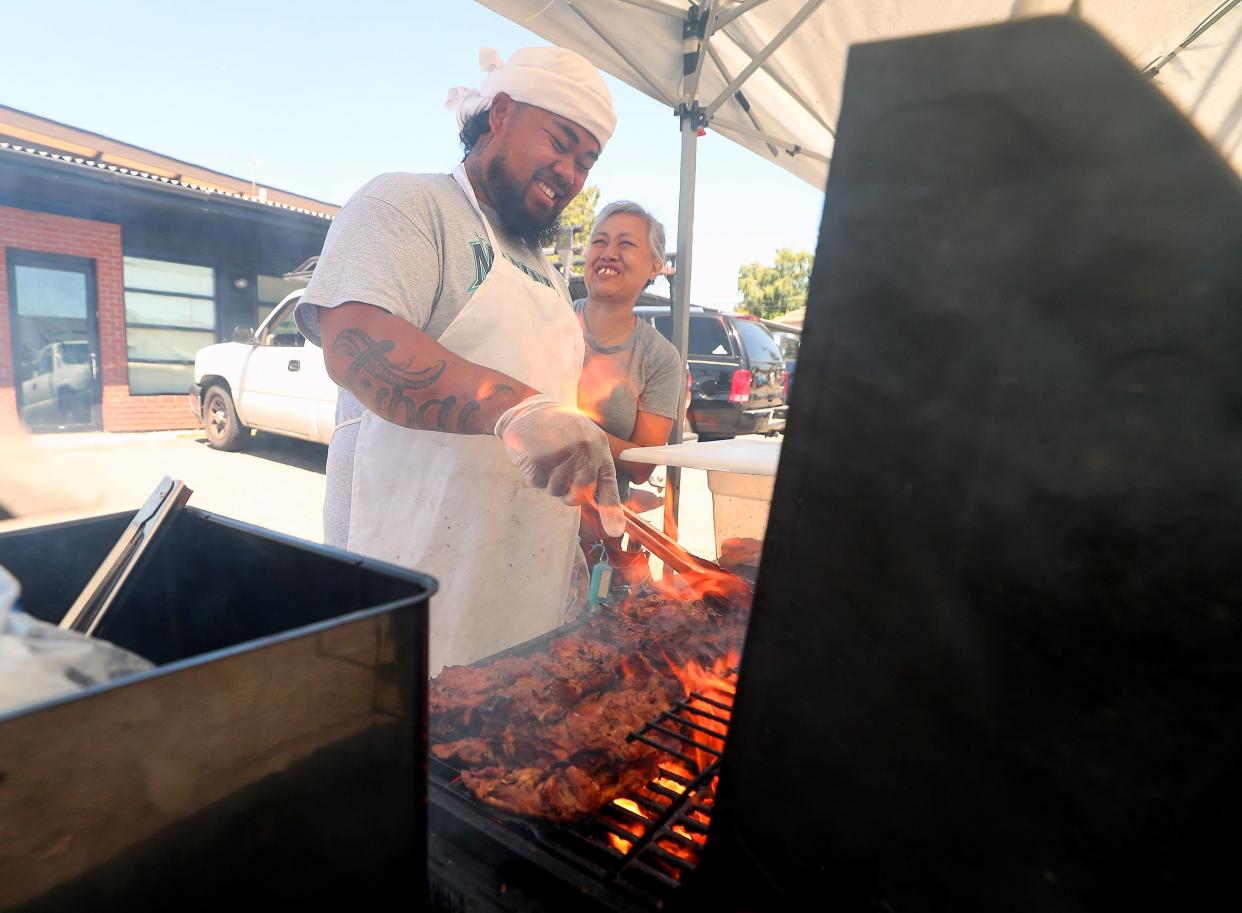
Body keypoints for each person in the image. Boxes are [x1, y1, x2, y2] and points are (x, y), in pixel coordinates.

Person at [294, 47, 624, 674]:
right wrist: (516, 413)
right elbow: (354, 341)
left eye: (586, 162)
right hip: (412, 580)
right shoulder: (406, 206)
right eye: (560, 142)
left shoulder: (550, 276)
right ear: (500, 114)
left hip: (521, 596)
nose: (570, 173)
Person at [574, 201, 686, 550]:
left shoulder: (659, 358)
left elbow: (641, 467)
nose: (608, 254)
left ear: (656, 266)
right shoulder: (549, 320)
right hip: (517, 514)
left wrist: (570, 427)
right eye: (599, 242)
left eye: (625, 244)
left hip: (594, 540)